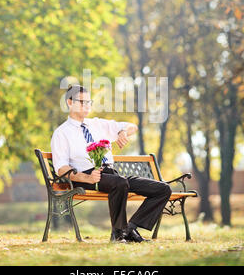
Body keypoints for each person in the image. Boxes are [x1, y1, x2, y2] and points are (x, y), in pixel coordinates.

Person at [51, 84, 172, 243]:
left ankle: (130, 228)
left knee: (163, 189)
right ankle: (118, 233)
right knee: (119, 183)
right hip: (86, 178)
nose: (86, 106)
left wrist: (122, 132)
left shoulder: (97, 124)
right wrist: (87, 178)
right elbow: (61, 168)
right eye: (82, 102)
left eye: (89, 102)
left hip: (112, 176)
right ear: (69, 102)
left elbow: (132, 127)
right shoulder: (61, 133)